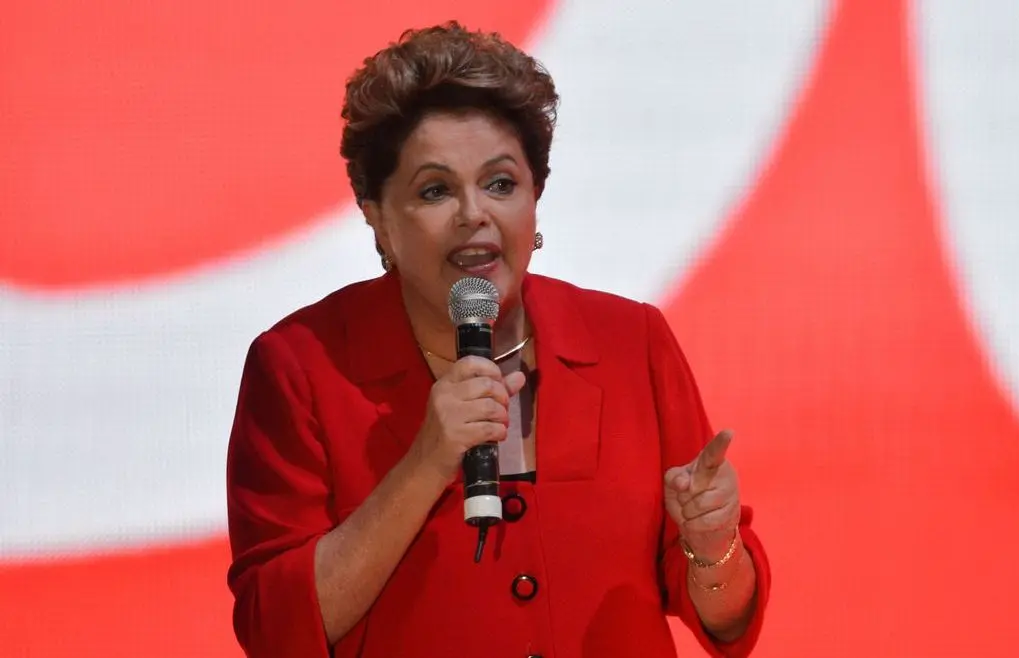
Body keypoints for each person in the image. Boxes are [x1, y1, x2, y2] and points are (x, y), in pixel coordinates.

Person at [224, 21, 771, 658]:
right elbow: (275, 630)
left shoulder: (631, 342)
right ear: (378, 219)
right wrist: (426, 463)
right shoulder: (300, 367)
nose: (473, 213)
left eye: (501, 183)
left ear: (535, 197)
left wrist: (714, 546)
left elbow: (726, 618)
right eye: (435, 190)